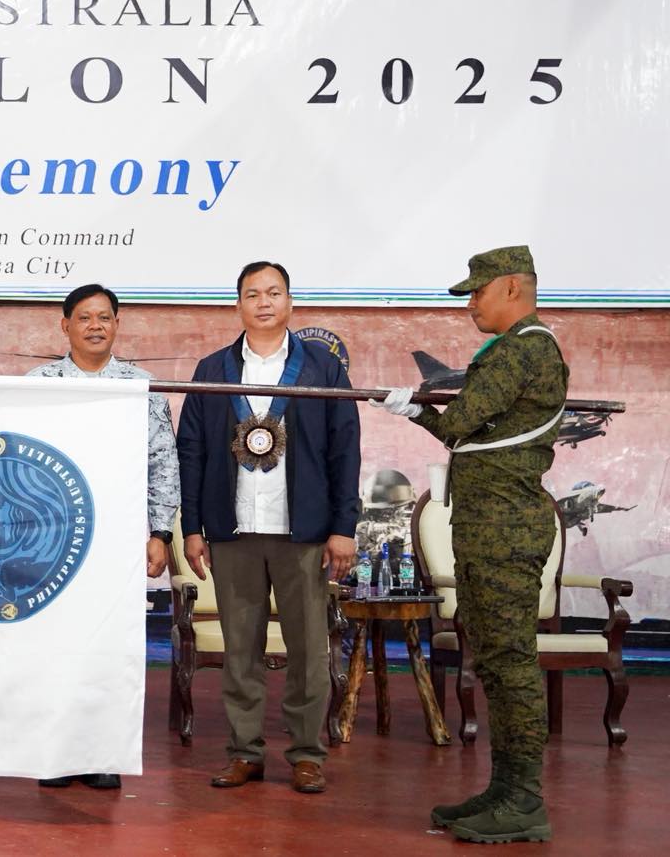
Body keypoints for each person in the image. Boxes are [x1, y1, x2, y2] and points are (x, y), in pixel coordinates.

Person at [373, 245, 566, 845]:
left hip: (505, 529)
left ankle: (525, 799)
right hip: (488, 527)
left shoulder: (526, 349)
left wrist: (413, 410)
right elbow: (468, 427)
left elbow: (459, 423)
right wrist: (416, 411)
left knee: (511, 663)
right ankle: (506, 789)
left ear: (512, 287)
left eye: (477, 292)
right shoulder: (515, 350)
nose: (471, 304)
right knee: (494, 661)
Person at [176, 261, 358, 795]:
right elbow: (193, 451)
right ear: (238, 305)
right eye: (252, 294)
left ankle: (306, 754)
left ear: (290, 302)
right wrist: (193, 527)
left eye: (273, 292)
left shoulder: (322, 368)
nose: (263, 302)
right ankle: (245, 752)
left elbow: (345, 449)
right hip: (233, 530)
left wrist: (343, 526)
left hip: (301, 531)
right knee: (241, 650)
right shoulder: (213, 367)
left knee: (309, 650)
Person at [27, 282, 180, 790]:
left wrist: (160, 532)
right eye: (85, 317)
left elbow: (163, 463)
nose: (96, 325)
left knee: (108, 645)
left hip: (115, 539)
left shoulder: (140, 385)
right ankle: (54, 752)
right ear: (64, 324)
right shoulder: (38, 383)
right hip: (47, 537)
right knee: (53, 644)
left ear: (117, 325)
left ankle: (101, 753)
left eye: (105, 317)